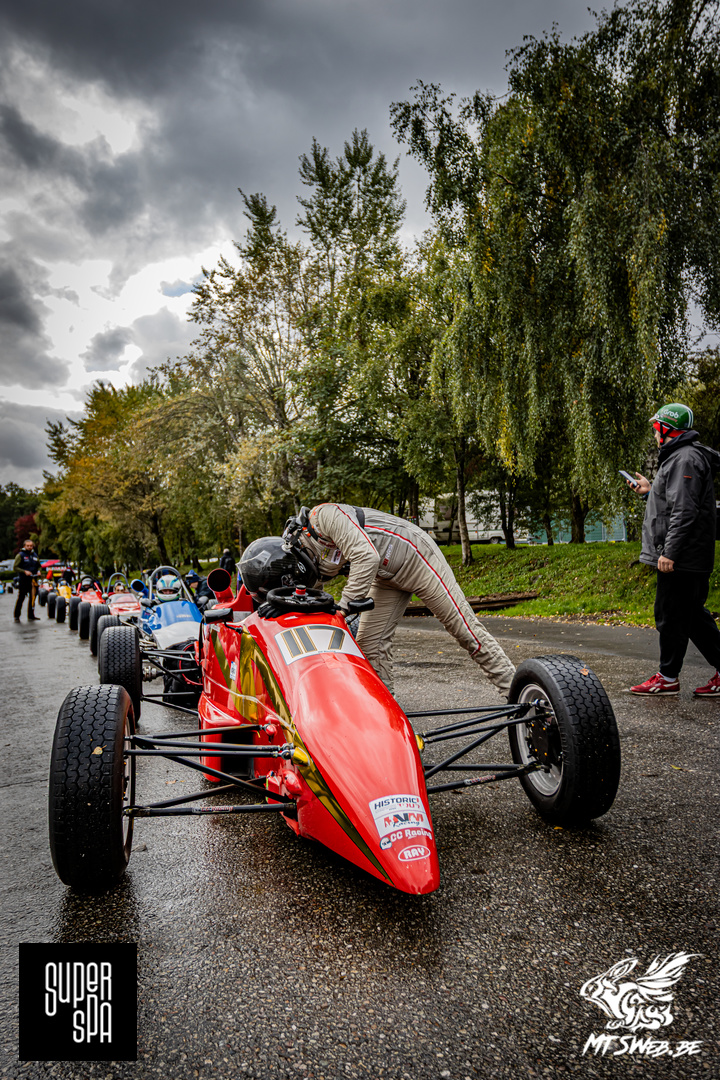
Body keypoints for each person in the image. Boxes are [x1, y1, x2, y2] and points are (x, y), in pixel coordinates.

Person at [280, 504, 516, 698]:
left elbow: (366, 556)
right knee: (369, 646)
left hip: (417, 556)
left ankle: (518, 694)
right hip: (386, 577)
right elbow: (316, 602)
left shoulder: (325, 515)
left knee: (465, 631)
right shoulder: (308, 560)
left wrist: (344, 608)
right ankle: (384, 712)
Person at [627, 403, 720, 696]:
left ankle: (667, 678)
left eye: (657, 428)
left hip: (683, 557)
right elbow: (674, 502)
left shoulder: (685, 459)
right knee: (690, 617)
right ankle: (671, 676)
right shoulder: (681, 457)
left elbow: (684, 510)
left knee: (671, 616)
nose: (655, 434)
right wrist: (649, 491)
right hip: (687, 555)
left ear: (667, 429)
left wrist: (670, 552)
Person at [13, 539, 41, 622]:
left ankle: (31, 615)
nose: (29, 547)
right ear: (24, 546)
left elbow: (39, 566)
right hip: (24, 580)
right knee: (21, 597)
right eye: (28, 546)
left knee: (32, 598)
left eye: (31, 546)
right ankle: (17, 615)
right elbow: (15, 567)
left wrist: (39, 571)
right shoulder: (20, 555)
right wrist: (24, 571)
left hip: (33, 580)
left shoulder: (35, 555)